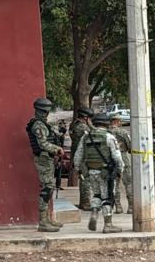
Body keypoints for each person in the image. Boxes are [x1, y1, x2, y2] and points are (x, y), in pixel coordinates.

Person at [73, 113, 125, 233]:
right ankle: (108, 225)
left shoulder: (85, 137)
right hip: (105, 173)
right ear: (106, 124)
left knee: (96, 194)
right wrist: (120, 170)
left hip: (90, 172)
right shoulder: (109, 137)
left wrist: (78, 169)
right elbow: (117, 157)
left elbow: (78, 155)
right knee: (107, 197)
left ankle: (94, 213)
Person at [26, 97, 64, 233]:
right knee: (46, 189)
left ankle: (47, 219)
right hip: (43, 159)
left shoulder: (42, 124)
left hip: (47, 158)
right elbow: (43, 144)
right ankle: (43, 221)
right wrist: (57, 149)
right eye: (46, 111)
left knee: (49, 188)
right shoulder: (38, 125)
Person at [107, 115, 132, 214]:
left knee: (115, 185)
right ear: (117, 121)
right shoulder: (123, 132)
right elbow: (130, 146)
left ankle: (118, 207)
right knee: (128, 183)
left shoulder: (106, 133)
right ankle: (130, 207)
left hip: (111, 160)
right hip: (123, 157)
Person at [69, 108, 93, 211]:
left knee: (82, 178)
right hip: (83, 156)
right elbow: (93, 135)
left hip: (76, 153)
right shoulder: (83, 127)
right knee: (85, 180)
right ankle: (86, 203)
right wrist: (90, 125)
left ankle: (83, 202)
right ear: (85, 117)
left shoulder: (73, 124)